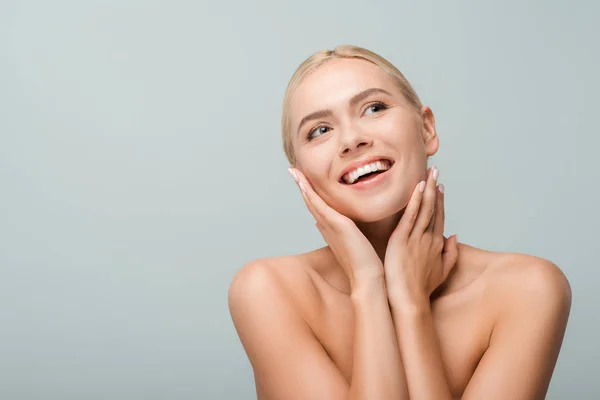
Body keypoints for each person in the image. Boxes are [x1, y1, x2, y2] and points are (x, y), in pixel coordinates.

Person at [228, 44, 572, 400]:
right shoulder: (269, 291)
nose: (351, 140)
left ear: (426, 129)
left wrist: (411, 305)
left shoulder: (527, 289)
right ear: (301, 175)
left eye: (374, 108)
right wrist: (369, 284)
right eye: (319, 130)